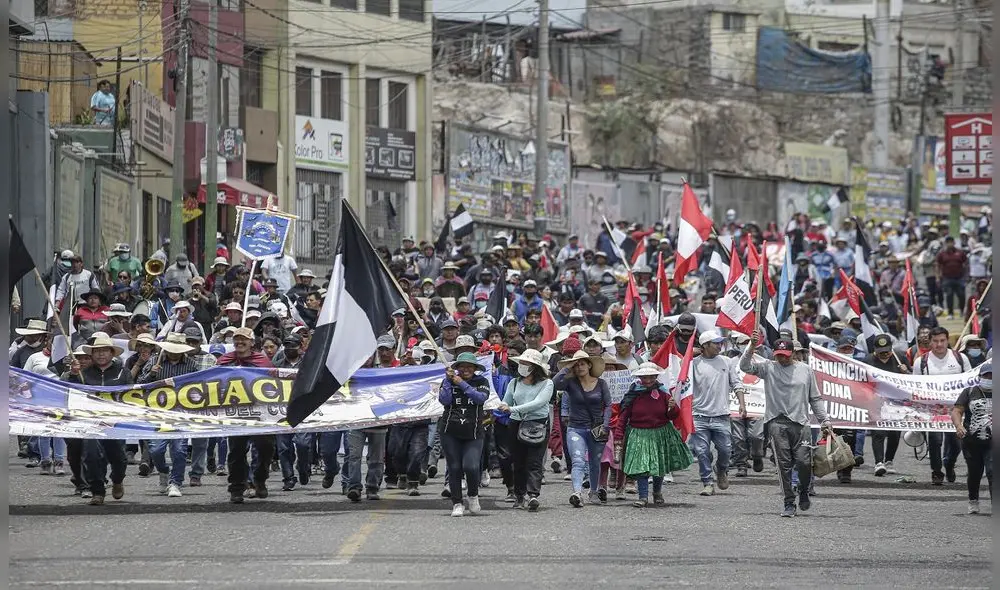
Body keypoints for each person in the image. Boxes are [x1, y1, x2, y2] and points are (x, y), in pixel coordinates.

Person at [741, 334, 831, 517]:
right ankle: (789, 502)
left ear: (793, 354)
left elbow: (815, 398)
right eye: (778, 355)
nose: (782, 358)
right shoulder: (768, 368)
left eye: (785, 355)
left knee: (805, 462)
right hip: (777, 423)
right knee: (784, 465)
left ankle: (804, 490)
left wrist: (825, 421)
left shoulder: (805, 370)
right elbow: (744, 366)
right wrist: (751, 346)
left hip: (801, 424)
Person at [614, 362, 693, 508]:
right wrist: (618, 436)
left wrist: (673, 407)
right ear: (639, 378)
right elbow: (623, 417)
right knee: (641, 468)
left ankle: (657, 492)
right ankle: (643, 497)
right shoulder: (632, 395)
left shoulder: (664, 394)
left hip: (660, 433)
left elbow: (672, 416)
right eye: (645, 377)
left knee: (658, 466)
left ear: (656, 377)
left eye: (651, 377)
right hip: (638, 435)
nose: (648, 380)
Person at [64, 335, 132, 505]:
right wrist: (73, 375)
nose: (101, 355)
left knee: (118, 456)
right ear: (92, 354)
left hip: (115, 423)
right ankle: (97, 491)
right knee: (91, 455)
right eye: (97, 351)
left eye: (104, 351)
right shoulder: (83, 374)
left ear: (112, 353)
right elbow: (70, 392)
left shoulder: (123, 373)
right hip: (91, 423)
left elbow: (131, 396)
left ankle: (117, 480)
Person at [216, 327, 275, 503]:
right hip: (235, 413)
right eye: (237, 339)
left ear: (252, 342)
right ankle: (236, 487)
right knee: (236, 451)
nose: (240, 343)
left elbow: (274, 383)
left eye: (244, 339)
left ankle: (259, 479)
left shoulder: (262, 362)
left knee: (266, 447)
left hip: (260, 412)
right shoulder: (225, 361)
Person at [139, 333, 200, 498]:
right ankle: (163, 471)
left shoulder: (191, 365)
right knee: (156, 450)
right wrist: (151, 374)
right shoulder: (154, 362)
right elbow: (139, 385)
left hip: (181, 412)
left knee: (180, 450)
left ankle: (175, 482)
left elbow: (200, 387)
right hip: (158, 413)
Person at [913, 327, 971, 485]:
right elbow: (914, 387)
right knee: (935, 441)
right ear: (930, 342)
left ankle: (949, 464)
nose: (939, 344)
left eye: (942, 341)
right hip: (933, 410)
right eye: (935, 341)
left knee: (955, 442)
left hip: (956, 410)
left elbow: (970, 381)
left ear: (947, 341)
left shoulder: (960, 358)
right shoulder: (921, 362)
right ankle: (936, 472)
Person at [498, 349, 554, 511]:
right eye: (522, 363)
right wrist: (502, 407)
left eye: (527, 364)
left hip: (537, 423)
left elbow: (539, 402)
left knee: (534, 461)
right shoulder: (514, 383)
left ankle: (533, 495)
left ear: (535, 367)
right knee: (518, 461)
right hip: (515, 424)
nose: (523, 366)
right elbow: (506, 401)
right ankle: (519, 495)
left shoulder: (547, 383)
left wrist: (513, 409)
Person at [689, 330, 742, 496]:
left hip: (721, 415)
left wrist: (742, 403)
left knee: (725, 450)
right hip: (699, 415)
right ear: (705, 346)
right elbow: (684, 384)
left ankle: (721, 470)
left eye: (721, 343)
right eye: (716, 343)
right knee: (702, 451)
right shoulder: (693, 364)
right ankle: (707, 482)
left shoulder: (726, 362)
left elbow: (736, 383)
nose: (720, 346)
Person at [438, 352, 491, 517]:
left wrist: (462, 384)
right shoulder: (448, 381)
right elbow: (444, 400)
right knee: (454, 467)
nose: (466, 369)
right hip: (450, 431)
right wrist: (448, 381)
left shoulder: (482, 381)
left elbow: (480, 398)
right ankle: (457, 503)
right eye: (462, 366)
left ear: (475, 368)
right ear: (457, 368)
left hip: (474, 432)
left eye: (469, 366)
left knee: (471, 466)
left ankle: (473, 495)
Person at [556, 350, 611, 507]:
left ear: (589, 365)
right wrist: (568, 368)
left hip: (596, 428)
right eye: (577, 364)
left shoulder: (601, 383)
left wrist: (606, 425)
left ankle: (593, 491)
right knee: (578, 460)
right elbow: (554, 383)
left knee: (595, 462)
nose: (579, 367)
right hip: (575, 428)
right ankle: (577, 492)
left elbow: (608, 405)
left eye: (582, 363)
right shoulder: (570, 383)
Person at [951, 360, 992, 514]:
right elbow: (957, 411)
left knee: (992, 471)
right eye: (987, 375)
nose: (989, 378)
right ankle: (973, 500)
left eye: (993, 376)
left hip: (993, 441)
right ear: (980, 376)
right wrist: (959, 426)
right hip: (972, 441)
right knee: (974, 473)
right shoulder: (969, 392)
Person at [866, 334, 910, 477]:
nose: (885, 354)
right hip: (876, 401)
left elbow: (914, 380)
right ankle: (879, 462)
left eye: (887, 351)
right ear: (875, 350)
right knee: (878, 432)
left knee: (894, 433)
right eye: (881, 352)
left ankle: (889, 460)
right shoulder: (867, 361)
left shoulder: (900, 358)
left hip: (896, 403)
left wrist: (906, 372)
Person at [935, 236, 968, 319]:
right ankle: (950, 313)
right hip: (947, 278)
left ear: (954, 243)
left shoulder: (960, 252)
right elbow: (937, 265)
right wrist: (938, 277)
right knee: (949, 295)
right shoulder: (942, 254)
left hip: (959, 277)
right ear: (946, 243)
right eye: (948, 242)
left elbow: (966, 264)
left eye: (951, 242)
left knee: (961, 294)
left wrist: (966, 275)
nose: (950, 244)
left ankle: (961, 310)